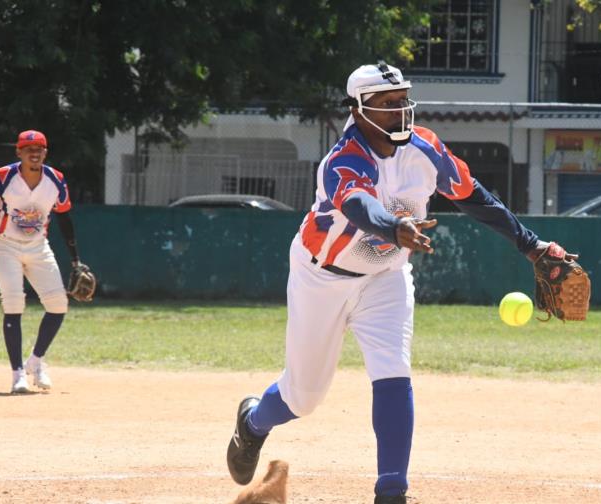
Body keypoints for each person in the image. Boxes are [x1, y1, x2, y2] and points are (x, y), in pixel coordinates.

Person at [225, 62, 565, 503]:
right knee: (303, 397)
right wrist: (393, 228)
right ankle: (252, 423)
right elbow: (360, 205)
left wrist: (531, 245)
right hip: (321, 276)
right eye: (387, 104)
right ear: (359, 109)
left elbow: (474, 196)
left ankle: (392, 491)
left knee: (393, 372)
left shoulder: (424, 147)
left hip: (385, 277)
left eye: (402, 99)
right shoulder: (343, 160)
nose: (399, 110)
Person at [0, 130, 84, 394]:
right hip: (5, 245)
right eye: (28, 148)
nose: (34, 152)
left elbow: (65, 218)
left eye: (39, 148)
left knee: (58, 304)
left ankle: (36, 361)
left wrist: (75, 260)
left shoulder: (55, 180)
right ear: (18, 152)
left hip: (38, 246)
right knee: (13, 303)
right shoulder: (2, 177)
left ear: (45, 153)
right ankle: (17, 373)